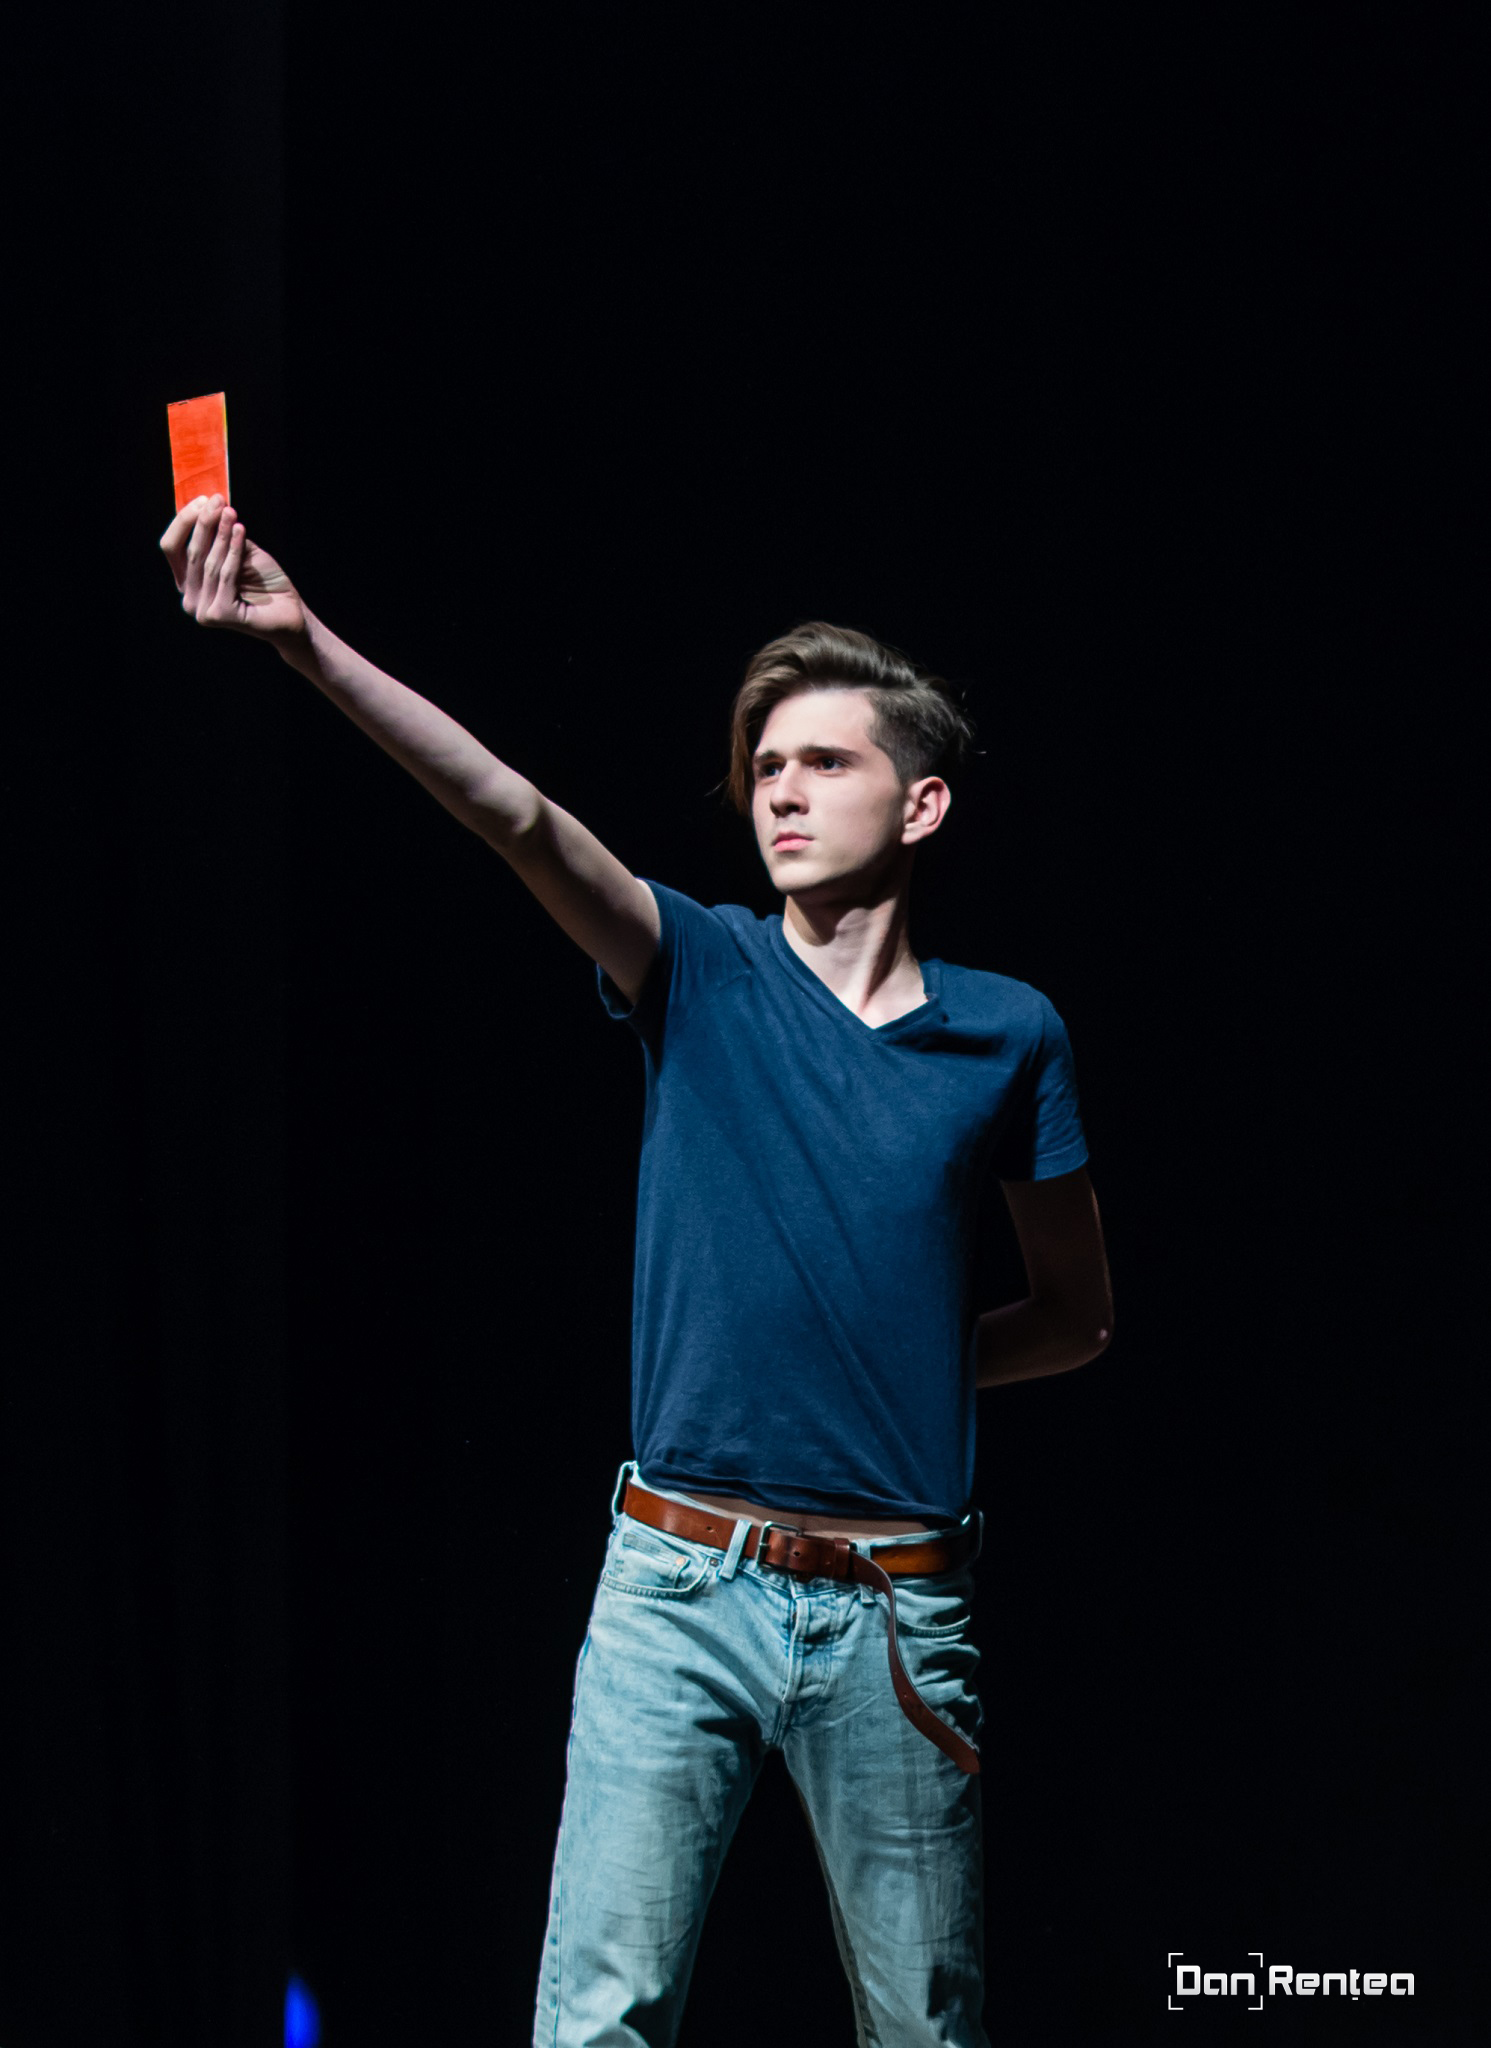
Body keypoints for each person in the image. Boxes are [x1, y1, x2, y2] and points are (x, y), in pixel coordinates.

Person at [160, 494, 1115, 2047]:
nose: (780, 790)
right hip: (681, 1588)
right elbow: (521, 819)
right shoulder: (702, 965)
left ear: (923, 803)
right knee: (600, 2021)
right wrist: (306, 643)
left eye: (826, 762)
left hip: (897, 1611)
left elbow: (1075, 1317)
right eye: (766, 765)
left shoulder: (1009, 1034)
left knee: (925, 2031)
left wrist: (896, 1364)